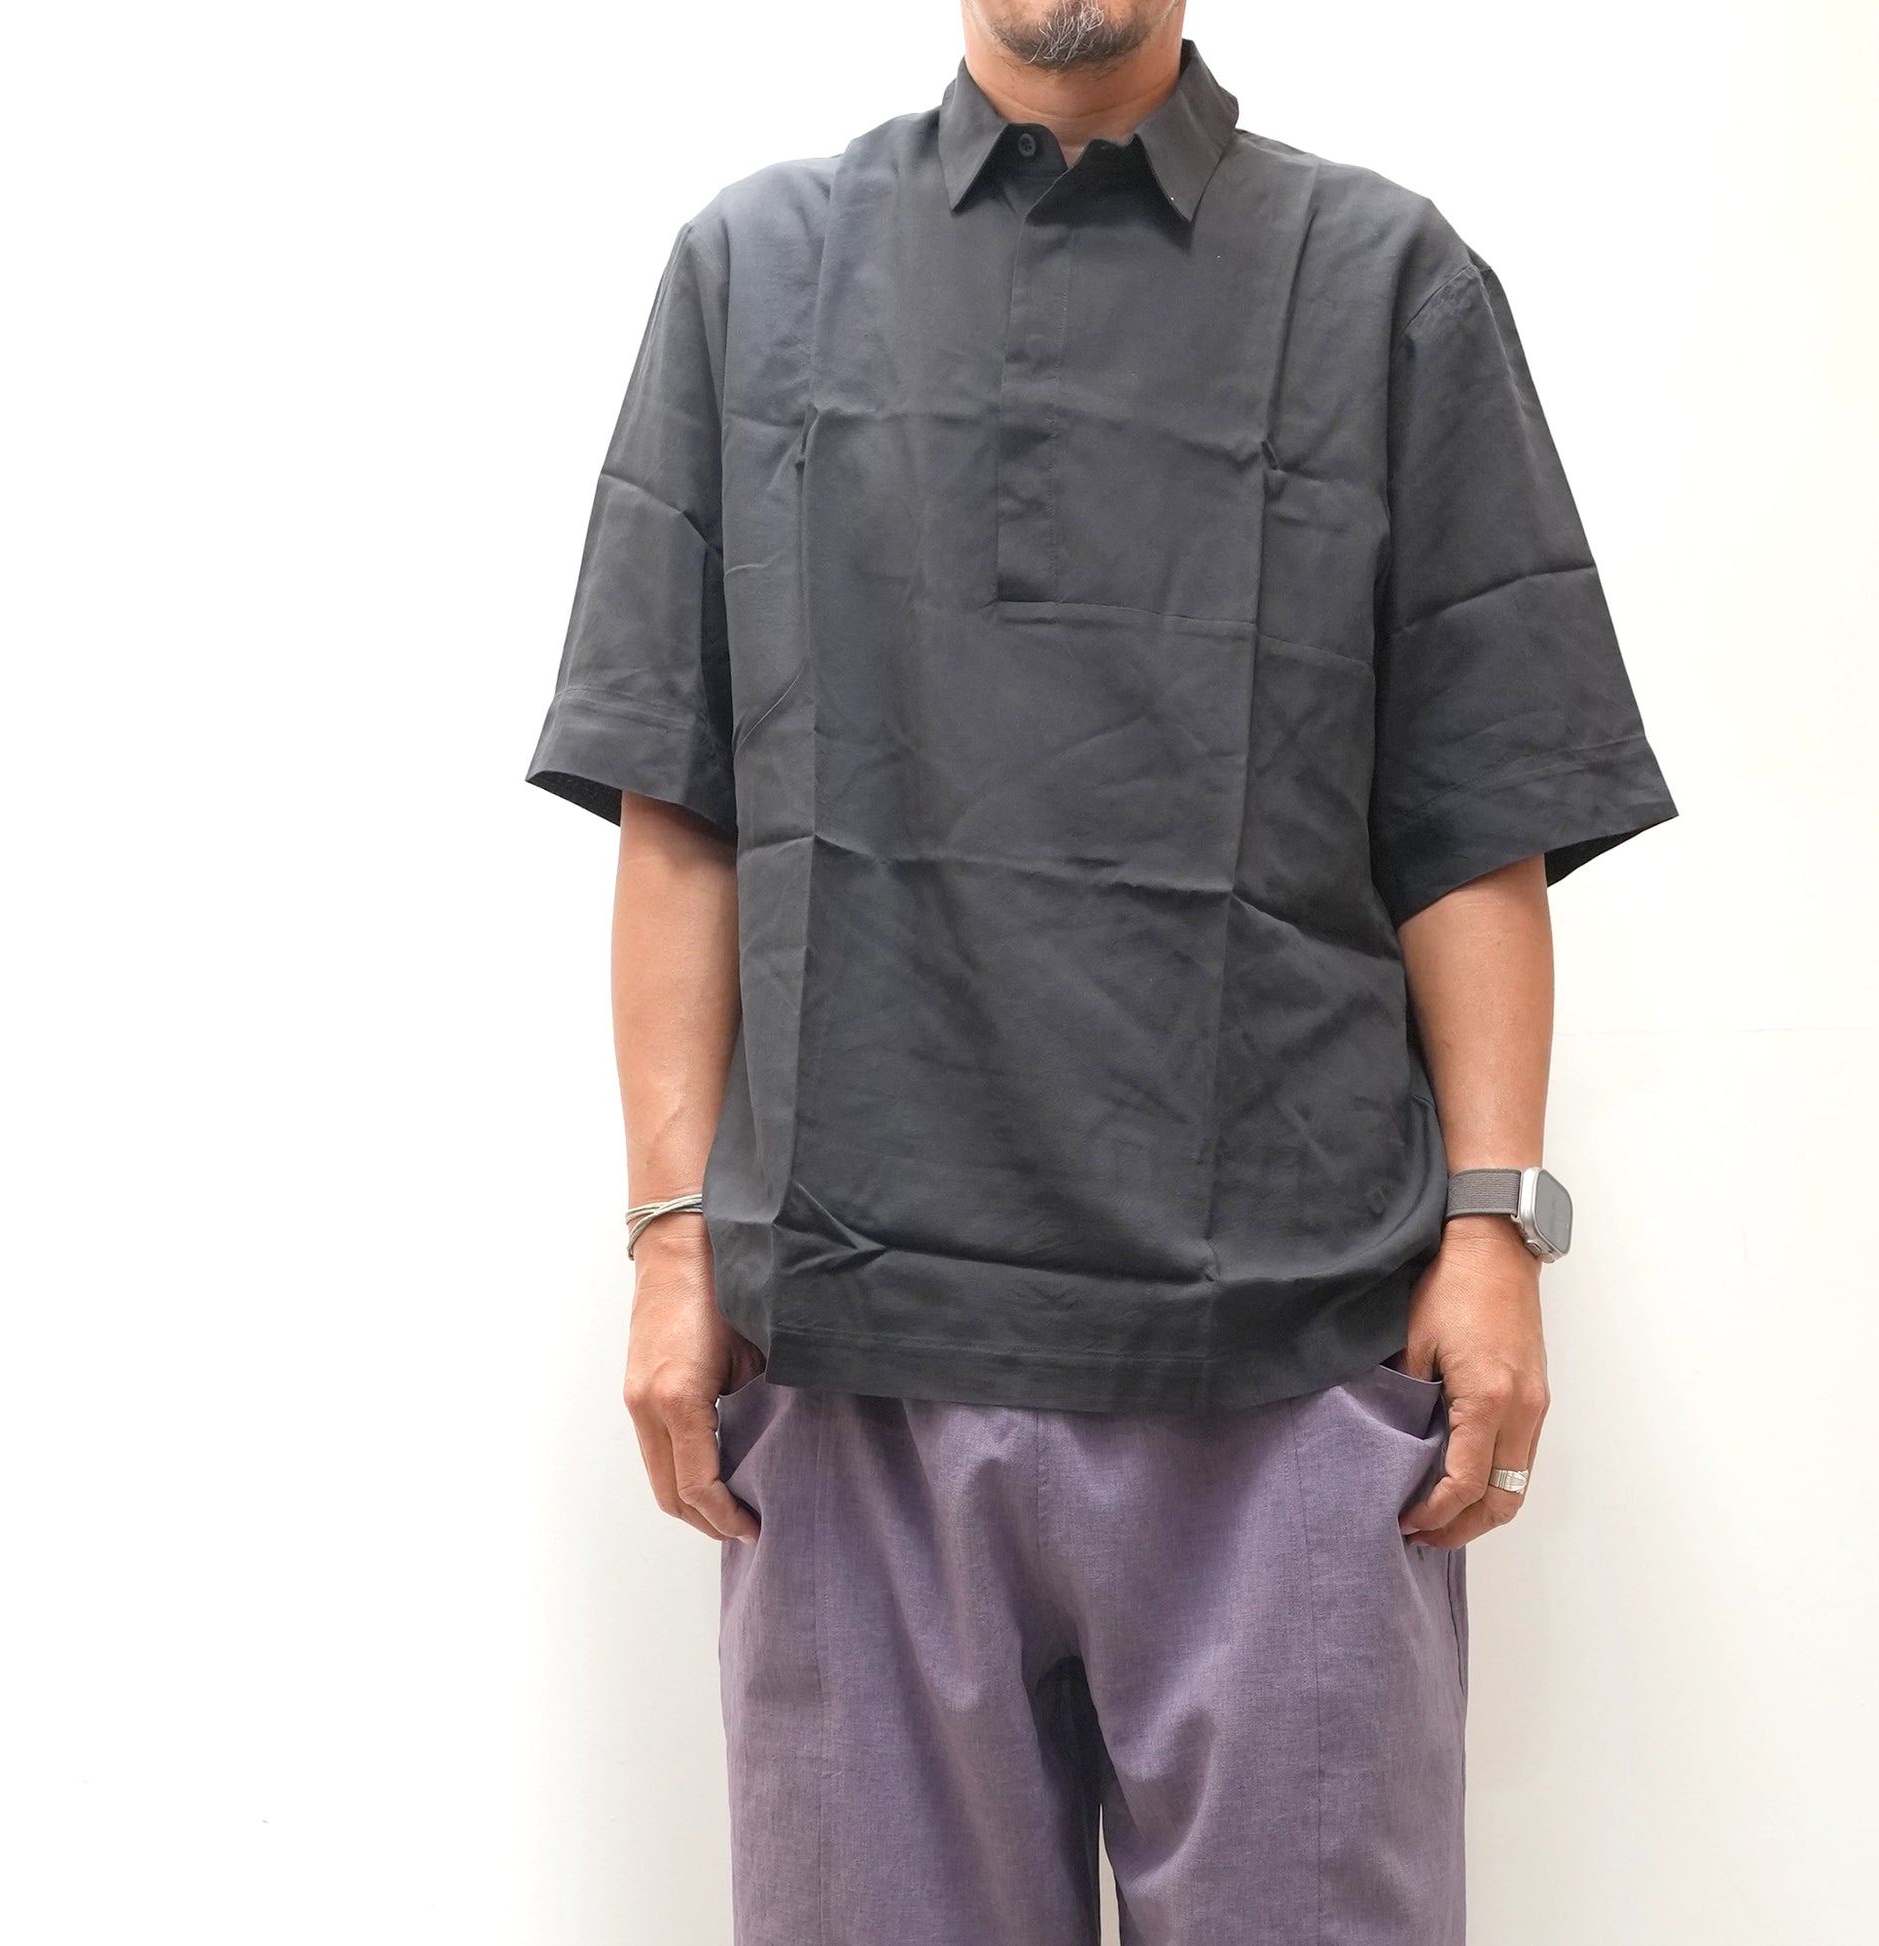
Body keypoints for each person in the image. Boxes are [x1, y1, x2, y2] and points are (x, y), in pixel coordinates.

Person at [525, 4, 1678, 1939]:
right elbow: (679, 802)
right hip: (860, 1347)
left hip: (1293, 1357)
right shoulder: (756, 272)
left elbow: (1475, 807)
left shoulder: (1380, 283)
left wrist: (1495, 1225)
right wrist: (665, 1240)